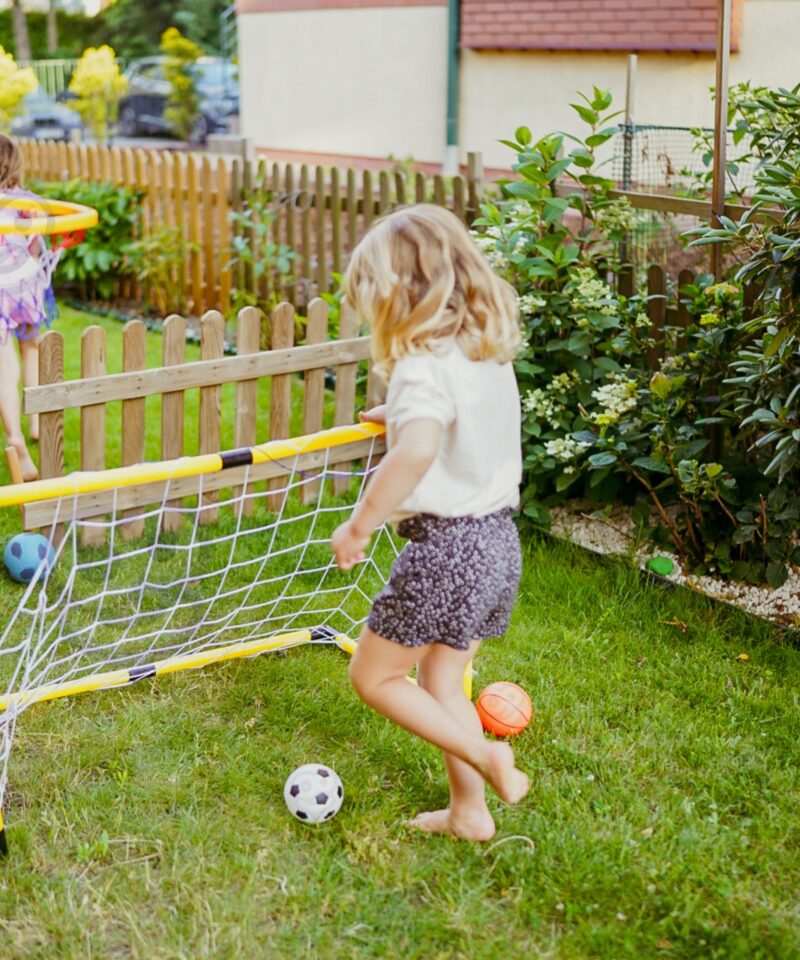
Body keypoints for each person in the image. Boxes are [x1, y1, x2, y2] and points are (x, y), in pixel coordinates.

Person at [331, 204, 528, 841]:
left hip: (448, 550)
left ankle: (487, 755)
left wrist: (360, 525)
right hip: (499, 541)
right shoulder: (484, 353)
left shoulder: (420, 369)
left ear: (397, 294)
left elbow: (417, 450)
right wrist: (397, 410)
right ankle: (469, 811)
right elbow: (454, 424)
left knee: (375, 676)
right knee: (443, 680)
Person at [0, 134, 58, 482]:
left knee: (4, 362)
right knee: (31, 347)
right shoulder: (27, 201)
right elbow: (37, 244)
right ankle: (35, 420)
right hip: (26, 289)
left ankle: (16, 438)